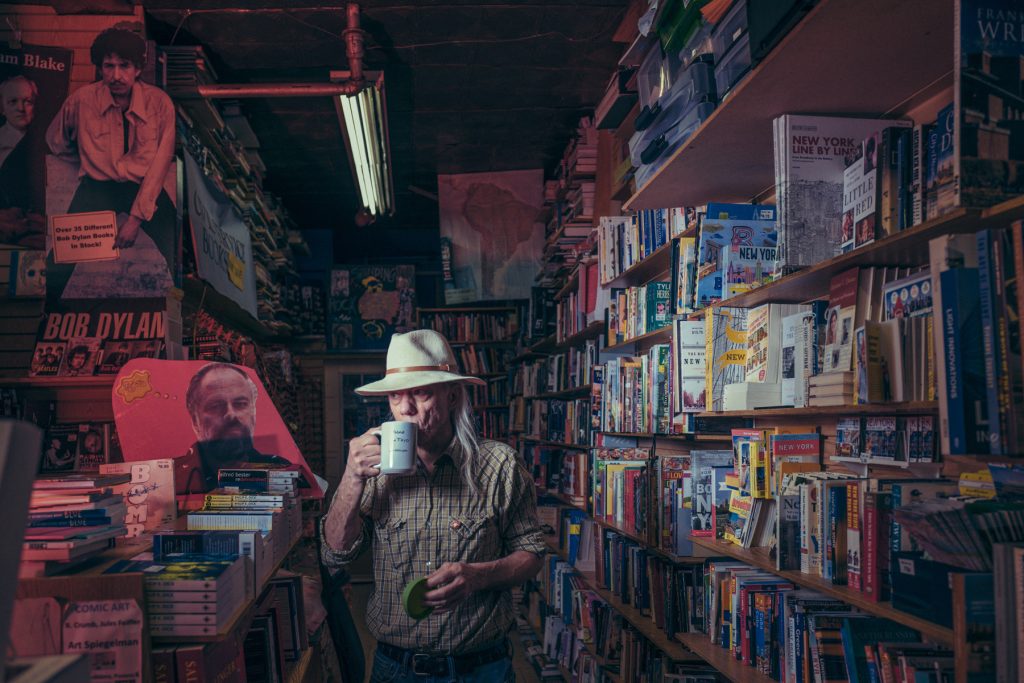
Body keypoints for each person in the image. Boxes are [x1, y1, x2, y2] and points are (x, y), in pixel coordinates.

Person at [321, 329, 545, 681]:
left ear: (453, 395)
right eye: (396, 396)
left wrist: (476, 576)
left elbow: (532, 554)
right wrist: (351, 477)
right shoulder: (371, 469)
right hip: (396, 668)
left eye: (421, 393)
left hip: (481, 669)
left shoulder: (501, 465)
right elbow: (335, 553)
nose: (405, 409)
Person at [45, 27, 177, 300]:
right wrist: (88, 159)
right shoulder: (81, 101)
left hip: (143, 187)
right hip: (97, 188)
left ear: (138, 68)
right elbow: (56, 141)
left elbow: (160, 164)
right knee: (59, 261)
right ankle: (46, 321)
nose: (116, 75)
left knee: (177, 250)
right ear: (100, 68)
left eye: (124, 66)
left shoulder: (159, 104)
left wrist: (136, 218)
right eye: (108, 66)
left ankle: (184, 324)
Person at [180, 362, 290, 493]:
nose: (231, 414)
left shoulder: (279, 471)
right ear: (195, 421)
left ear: (253, 413)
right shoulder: (175, 480)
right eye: (216, 406)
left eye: (241, 404)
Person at [0, 75, 45, 247]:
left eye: (28, 101)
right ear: (2, 107)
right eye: (13, 102)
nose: (21, 108)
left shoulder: (45, 143)